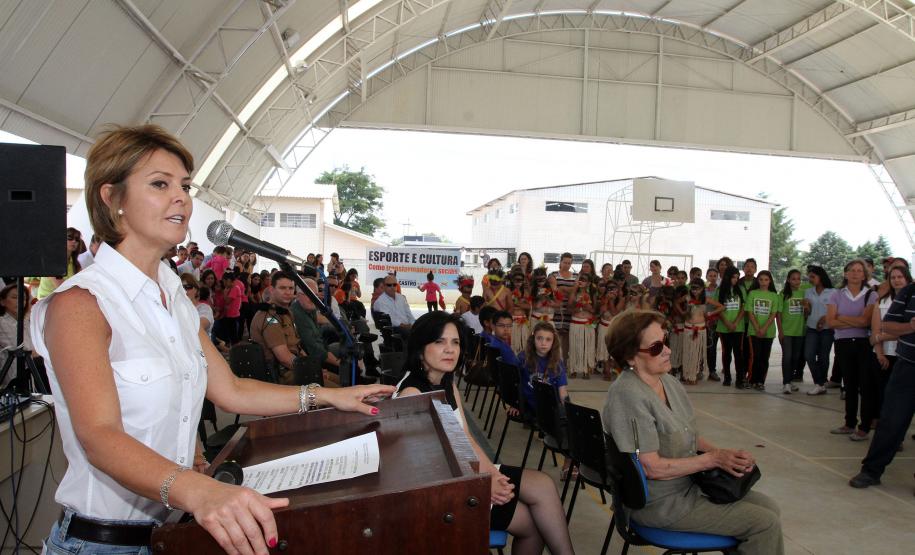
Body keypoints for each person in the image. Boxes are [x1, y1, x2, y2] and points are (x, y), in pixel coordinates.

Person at [30, 124, 394, 554]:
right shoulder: (82, 304)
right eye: (160, 184)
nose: (182, 197)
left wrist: (330, 397)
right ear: (112, 199)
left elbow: (231, 390)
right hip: (102, 543)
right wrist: (199, 492)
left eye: (184, 185)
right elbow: (100, 436)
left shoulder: (172, 295)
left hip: (172, 533)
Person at [602, 310, 783, 554]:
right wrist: (711, 459)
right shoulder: (628, 395)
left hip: (689, 486)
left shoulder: (667, 381)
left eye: (665, 342)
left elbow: (688, 436)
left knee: (770, 508)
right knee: (764, 524)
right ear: (630, 356)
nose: (667, 350)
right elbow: (650, 467)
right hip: (661, 503)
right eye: (656, 347)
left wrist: (724, 455)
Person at [394, 312, 574, 554]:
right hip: (442, 491)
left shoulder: (446, 381)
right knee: (533, 525)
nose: (450, 350)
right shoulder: (413, 395)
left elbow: (465, 438)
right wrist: (484, 484)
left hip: (464, 469)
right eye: (439, 342)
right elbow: (426, 471)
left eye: (455, 342)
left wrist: (490, 473)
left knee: (543, 485)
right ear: (419, 348)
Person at [848, 273, 915, 489]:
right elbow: (888, 326)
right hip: (907, 368)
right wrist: (912, 326)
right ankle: (871, 471)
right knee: (891, 421)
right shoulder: (909, 292)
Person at [826, 259, 877, 441]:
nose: (855, 273)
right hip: (843, 343)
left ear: (864, 274)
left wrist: (842, 317)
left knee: (865, 385)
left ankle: (864, 426)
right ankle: (849, 423)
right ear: (845, 273)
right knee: (849, 385)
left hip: (863, 343)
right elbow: (830, 321)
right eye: (851, 270)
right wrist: (853, 320)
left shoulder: (870, 295)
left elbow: (866, 322)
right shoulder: (836, 294)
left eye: (859, 270)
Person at [869, 265, 912, 419]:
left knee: (901, 398)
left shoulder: (911, 302)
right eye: (893, 277)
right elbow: (875, 331)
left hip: (905, 356)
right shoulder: (882, 301)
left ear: (907, 279)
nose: (896, 280)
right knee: (883, 393)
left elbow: (909, 330)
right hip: (883, 353)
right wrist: (880, 353)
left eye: (900, 277)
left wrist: (883, 336)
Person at [710, 266, 745, 387]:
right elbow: (717, 309)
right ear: (728, 277)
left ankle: (740, 379)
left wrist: (735, 323)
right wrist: (727, 322)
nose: (736, 279)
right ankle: (727, 377)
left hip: (738, 327)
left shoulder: (741, 289)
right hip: (724, 327)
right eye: (733, 277)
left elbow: (743, 308)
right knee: (726, 353)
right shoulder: (719, 291)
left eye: (737, 277)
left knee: (738, 353)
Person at [745, 271, 781, 391]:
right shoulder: (752, 293)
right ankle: (752, 380)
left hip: (768, 332)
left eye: (766, 279)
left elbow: (773, 313)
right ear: (757, 281)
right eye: (761, 279)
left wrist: (764, 328)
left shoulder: (774, 296)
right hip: (753, 331)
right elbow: (750, 312)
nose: (763, 282)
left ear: (770, 281)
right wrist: (757, 328)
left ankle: (760, 381)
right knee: (755, 356)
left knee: (764, 358)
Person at [804, 266, 835, 395]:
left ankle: (820, 384)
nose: (810, 279)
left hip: (827, 329)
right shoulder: (808, 292)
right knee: (809, 355)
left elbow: (835, 311)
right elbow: (807, 313)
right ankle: (819, 382)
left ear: (820, 277)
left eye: (813, 277)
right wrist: (806, 308)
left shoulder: (833, 292)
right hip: (811, 328)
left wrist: (825, 319)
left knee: (823, 357)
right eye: (809, 277)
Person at [777, 270, 806, 394]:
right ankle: (786, 383)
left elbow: (807, 312)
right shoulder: (783, 294)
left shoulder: (804, 293)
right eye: (793, 279)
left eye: (798, 279)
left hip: (800, 331)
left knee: (796, 357)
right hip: (787, 331)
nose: (797, 281)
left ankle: (791, 380)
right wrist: (780, 331)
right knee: (787, 357)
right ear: (788, 280)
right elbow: (778, 314)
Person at [35, 228, 83, 300]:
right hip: (46, 301)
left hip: (63, 299)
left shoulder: (76, 263)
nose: (74, 241)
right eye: (70, 237)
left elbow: (81, 283)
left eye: (77, 239)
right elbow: (61, 287)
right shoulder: (52, 260)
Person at [567, 272, 597, 379]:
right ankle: (573, 369)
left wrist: (587, 306)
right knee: (574, 346)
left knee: (587, 346)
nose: (580, 281)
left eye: (583, 279)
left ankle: (586, 370)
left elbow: (595, 310)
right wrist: (578, 306)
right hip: (576, 322)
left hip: (587, 324)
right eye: (579, 279)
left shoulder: (593, 293)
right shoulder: (574, 293)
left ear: (588, 283)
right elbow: (569, 308)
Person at [549, 253, 577, 358]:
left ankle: (564, 362)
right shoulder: (553, 274)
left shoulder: (575, 276)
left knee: (566, 337)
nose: (567, 265)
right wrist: (569, 290)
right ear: (560, 262)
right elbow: (555, 290)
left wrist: (563, 289)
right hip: (556, 309)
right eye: (565, 262)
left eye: (569, 263)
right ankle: (554, 360)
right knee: (555, 335)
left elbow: (575, 290)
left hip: (569, 309)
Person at [682, 278, 708, 385]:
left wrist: (709, 315)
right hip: (688, 327)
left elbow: (721, 307)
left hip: (700, 328)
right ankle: (686, 374)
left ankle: (694, 375)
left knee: (697, 354)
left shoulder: (705, 299)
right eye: (692, 288)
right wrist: (683, 313)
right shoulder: (687, 298)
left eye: (697, 289)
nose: (694, 291)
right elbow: (675, 303)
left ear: (702, 289)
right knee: (687, 352)